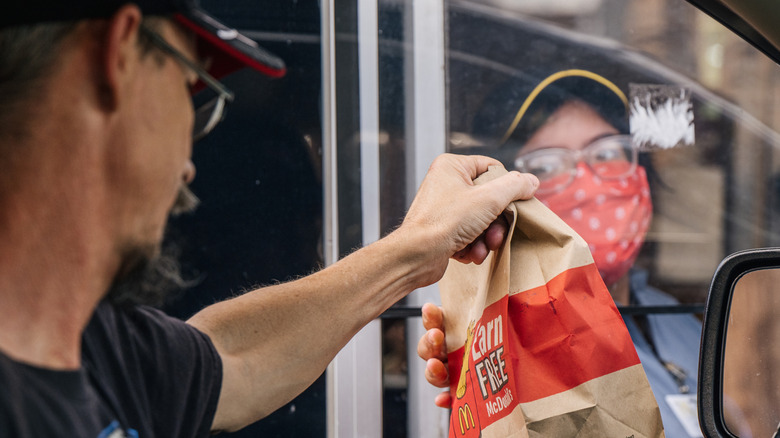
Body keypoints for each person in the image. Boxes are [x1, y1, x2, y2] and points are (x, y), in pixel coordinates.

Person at [0, 1, 541, 436]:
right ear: (119, 53)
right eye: (195, 91)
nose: (189, 165)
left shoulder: (100, 350)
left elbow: (234, 357)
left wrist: (413, 251)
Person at [418, 69, 704, 437]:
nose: (587, 181)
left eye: (608, 152)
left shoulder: (679, 322)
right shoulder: (510, 343)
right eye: (546, 165)